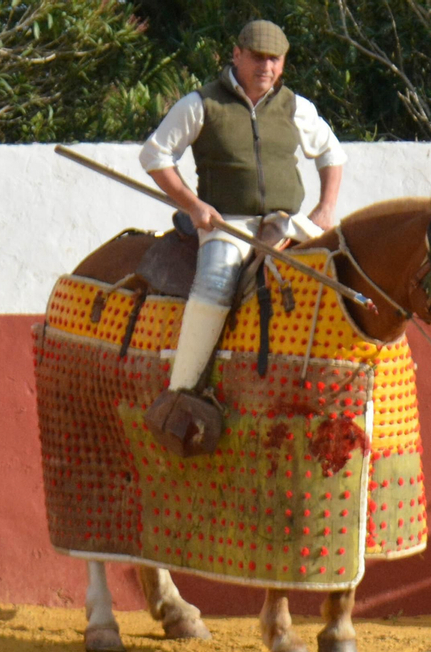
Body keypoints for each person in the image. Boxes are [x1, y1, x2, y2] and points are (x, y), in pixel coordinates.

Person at [138, 19, 347, 400]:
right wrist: (193, 205)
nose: (266, 67)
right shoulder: (201, 104)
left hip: (286, 222)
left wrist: (326, 208)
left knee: (337, 267)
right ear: (237, 55)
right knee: (215, 284)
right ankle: (181, 392)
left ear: (283, 63)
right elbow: (154, 155)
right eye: (257, 57)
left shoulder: (296, 107)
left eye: (274, 59)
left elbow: (332, 153)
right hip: (225, 222)